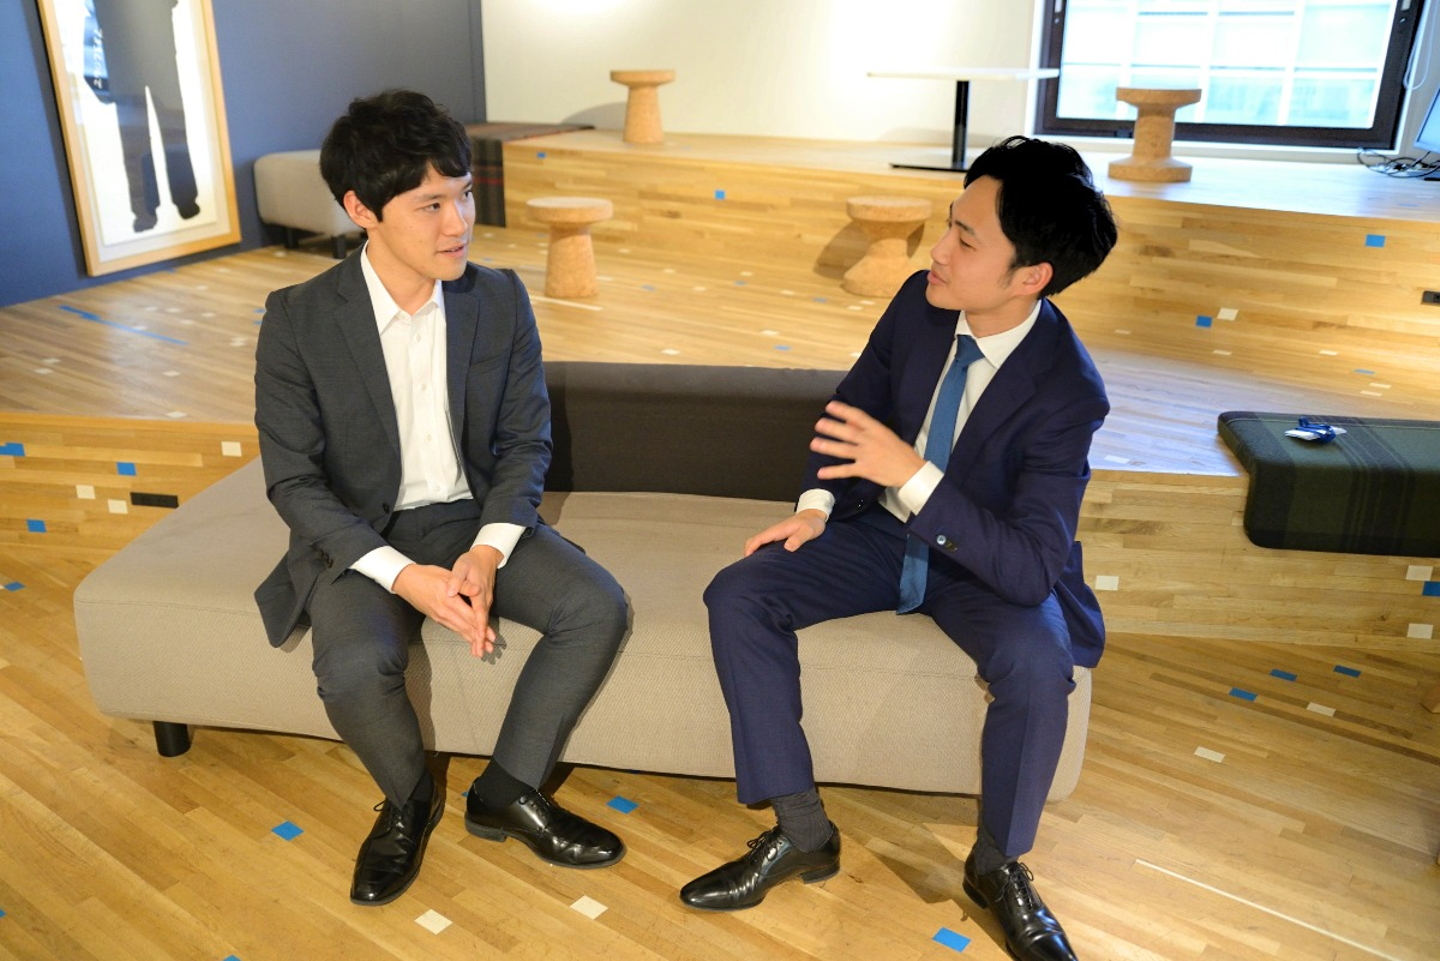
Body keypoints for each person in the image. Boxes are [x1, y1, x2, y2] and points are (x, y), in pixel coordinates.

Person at [681, 136, 1117, 961]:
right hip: (878, 531)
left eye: (965, 239)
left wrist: (911, 473)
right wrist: (815, 507)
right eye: (949, 224)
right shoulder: (920, 302)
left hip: (983, 561)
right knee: (738, 592)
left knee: (1037, 664)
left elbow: (1030, 566)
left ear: (1031, 276)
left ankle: (998, 865)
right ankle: (802, 829)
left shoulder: (1069, 390)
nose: (937, 251)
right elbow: (853, 405)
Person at [253, 89, 629, 907]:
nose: (458, 222)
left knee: (596, 605)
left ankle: (507, 790)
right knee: (354, 667)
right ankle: (408, 800)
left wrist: (488, 550)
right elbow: (294, 482)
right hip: (362, 532)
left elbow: (526, 443)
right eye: (430, 205)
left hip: (472, 514)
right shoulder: (297, 319)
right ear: (362, 208)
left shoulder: (499, 298)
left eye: (463, 194)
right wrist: (405, 576)